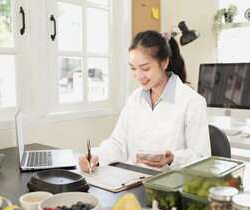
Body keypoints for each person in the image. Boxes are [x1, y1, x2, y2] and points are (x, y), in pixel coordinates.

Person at [79, 30, 211, 172]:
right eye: (133, 68)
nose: (139, 76)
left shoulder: (192, 102)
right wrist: (96, 156)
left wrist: (173, 158)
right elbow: (118, 143)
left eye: (145, 68)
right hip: (137, 182)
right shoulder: (135, 99)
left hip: (172, 187)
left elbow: (202, 158)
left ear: (164, 62)